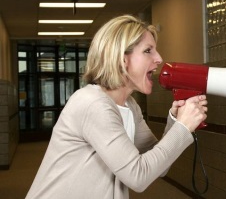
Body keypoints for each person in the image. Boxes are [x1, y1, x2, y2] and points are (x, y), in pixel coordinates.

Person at [26, 15, 208, 199]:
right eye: (148, 51)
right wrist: (183, 127)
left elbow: (158, 166)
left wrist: (175, 122)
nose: (159, 58)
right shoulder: (93, 104)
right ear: (121, 59)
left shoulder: (130, 106)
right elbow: (138, 176)